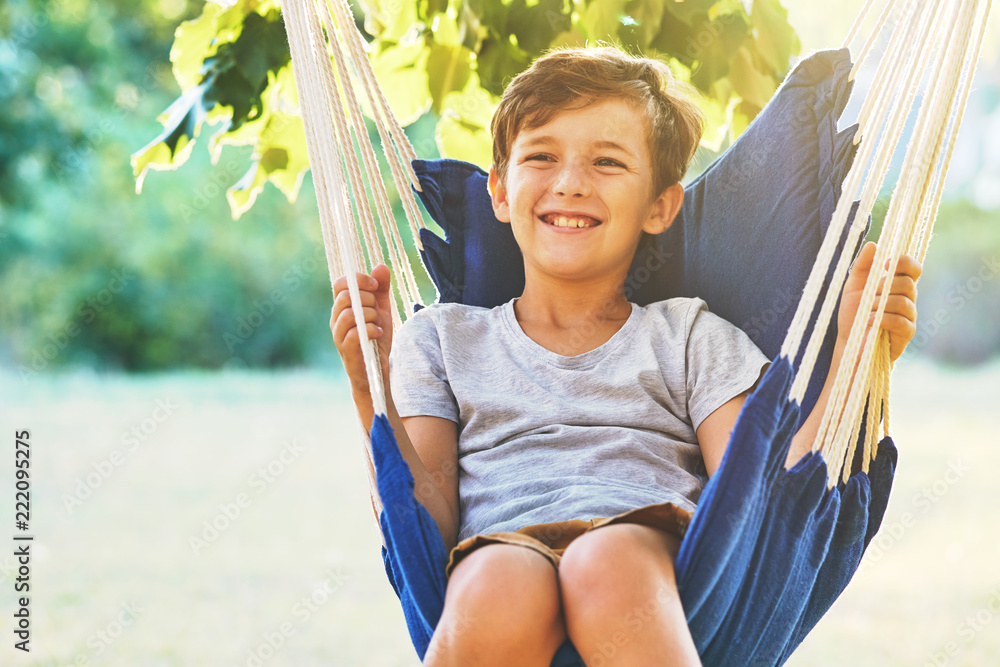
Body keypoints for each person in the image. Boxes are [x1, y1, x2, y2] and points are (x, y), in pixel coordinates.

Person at [331, 46, 922, 667]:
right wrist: (370, 387)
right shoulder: (441, 341)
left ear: (660, 207)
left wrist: (860, 351)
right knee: (497, 582)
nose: (571, 181)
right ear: (500, 193)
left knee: (603, 563)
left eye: (608, 162)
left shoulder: (690, 337)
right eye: (542, 157)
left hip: (661, 569)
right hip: (493, 551)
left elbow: (764, 496)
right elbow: (424, 514)